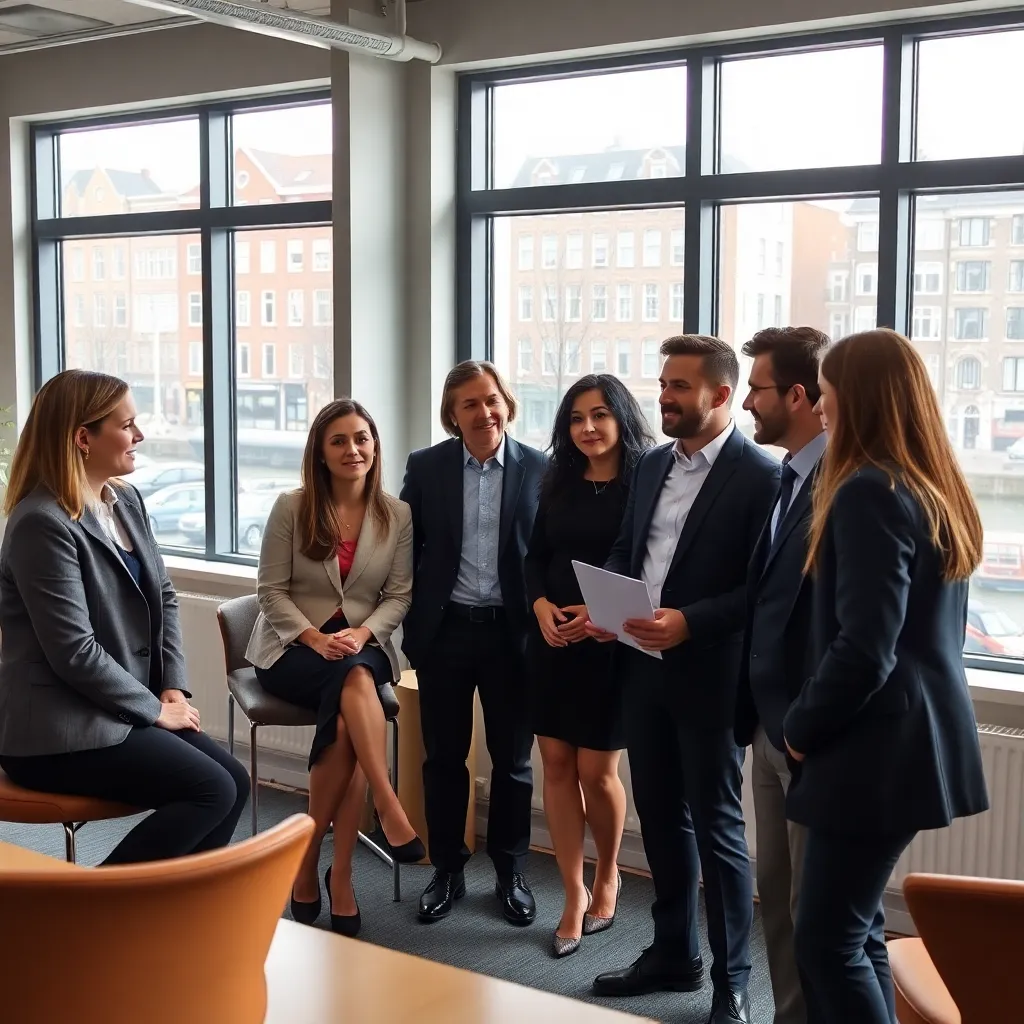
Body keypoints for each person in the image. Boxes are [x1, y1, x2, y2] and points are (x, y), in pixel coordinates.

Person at [783, 329, 989, 1024]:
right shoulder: (933, 487)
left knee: (827, 941)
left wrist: (801, 728)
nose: (821, 410)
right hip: (915, 740)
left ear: (858, 400)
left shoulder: (866, 491)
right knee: (858, 928)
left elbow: (865, 647)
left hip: (873, 750)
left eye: (829, 395)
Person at [591, 335, 780, 1024]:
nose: (663, 397)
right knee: (661, 821)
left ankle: (733, 980)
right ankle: (675, 954)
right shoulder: (648, 468)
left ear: (721, 395)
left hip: (710, 676)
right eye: (663, 383)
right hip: (640, 669)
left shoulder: (764, 478)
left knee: (718, 828)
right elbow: (628, 547)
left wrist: (689, 623)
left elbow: (763, 591)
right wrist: (606, 602)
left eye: (678, 387)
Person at [0, 369, 249, 862]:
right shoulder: (40, 523)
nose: (140, 435)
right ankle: (98, 916)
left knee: (235, 782)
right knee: (211, 790)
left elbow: (166, 595)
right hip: (54, 731)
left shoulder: (125, 500)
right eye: (127, 424)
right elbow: (74, 651)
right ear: (82, 438)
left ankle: (168, 920)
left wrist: (172, 687)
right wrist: (155, 710)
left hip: (115, 710)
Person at [247, 398, 423, 936]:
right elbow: (270, 592)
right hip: (292, 649)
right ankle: (382, 810)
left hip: (361, 645)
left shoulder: (397, 514)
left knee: (350, 702)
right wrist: (313, 637)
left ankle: (318, 868)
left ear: (375, 446)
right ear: (321, 454)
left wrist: (363, 633)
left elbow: (399, 596)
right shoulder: (290, 506)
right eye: (340, 441)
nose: (354, 450)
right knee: (352, 695)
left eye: (362, 438)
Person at [400, 360, 547, 926]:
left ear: (506, 403)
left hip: (515, 636)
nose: (483, 412)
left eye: (491, 400)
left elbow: (549, 553)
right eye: (469, 404)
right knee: (443, 758)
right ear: (452, 415)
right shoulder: (428, 466)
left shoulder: (541, 469)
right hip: (446, 633)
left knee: (512, 762)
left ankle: (510, 873)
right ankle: (448, 870)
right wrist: (409, 624)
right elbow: (406, 547)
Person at [525, 374, 655, 958]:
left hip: (610, 643)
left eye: (600, 415)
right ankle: (574, 892)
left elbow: (654, 567)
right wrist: (541, 607)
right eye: (577, 418)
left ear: (622, 419)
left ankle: (608, 875)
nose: (588, 428)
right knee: (555, 762)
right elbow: (534, 557)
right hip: (554, 643)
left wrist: (597, 612)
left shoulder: (646, 483)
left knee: (597, 772)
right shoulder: (556, 480)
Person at [734, 326, 830, 1024]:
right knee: (777, 892)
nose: (746, 402)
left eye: (757, 388)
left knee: (821, 915)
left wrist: (799, 730)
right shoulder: (785, 477)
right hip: (769, 723)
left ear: (798, 395)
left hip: (808, 732)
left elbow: (852, 633)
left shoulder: (846, 487)